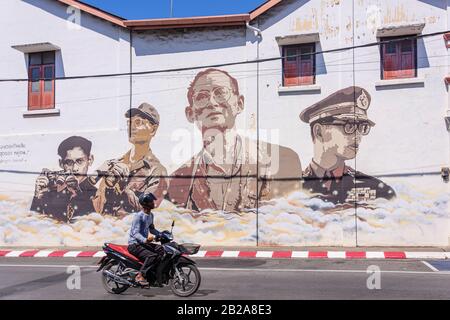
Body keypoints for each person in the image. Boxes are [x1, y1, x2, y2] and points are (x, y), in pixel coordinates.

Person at [167, 68, 302, 212]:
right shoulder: (177, 179)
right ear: (190, 113)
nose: (212, 103)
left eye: (221, 93)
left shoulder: (282, 161)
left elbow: (287, 224)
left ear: (239, 104)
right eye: (201, 97)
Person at [299, 86, 396, 204]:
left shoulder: (378, 190)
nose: (358, 135)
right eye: (349, 126)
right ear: (318, 132)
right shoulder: (291, 188)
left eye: (362, 127)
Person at [92, 103, 169, 217]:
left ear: (153, 129)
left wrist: (124, 189)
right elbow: (97, 209)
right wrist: (108, 185)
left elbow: (148, 209)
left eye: (138, 122)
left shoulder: (157, 171)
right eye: (129, 122)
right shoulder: (114, 164)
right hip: (108, 229)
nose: (131, 127)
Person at [30, 136, 97, 222]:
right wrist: (37, 197)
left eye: (80, 161)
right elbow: (33, 225)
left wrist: (77, 192)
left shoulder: (98, 195)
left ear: (90, 160)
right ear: (61, 164)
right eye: (69, 162)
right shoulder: (50, 193)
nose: (74, 168)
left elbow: (97, 224)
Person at [127, 193, 165, 286]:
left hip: (143, 243)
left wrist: (162, 234)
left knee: (161, 250)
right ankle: (140, 275)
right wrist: (145, 240)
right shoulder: (138, 216)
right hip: (135, 245)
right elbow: (135, 233)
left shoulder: (151, 215)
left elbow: (152, 229)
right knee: (151, 256)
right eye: (151, 201)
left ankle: (153, 274)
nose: (153, 203)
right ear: (145, 204)